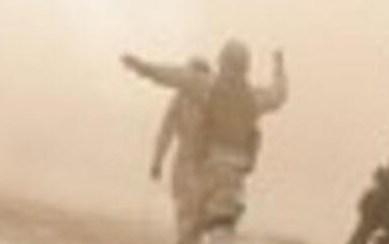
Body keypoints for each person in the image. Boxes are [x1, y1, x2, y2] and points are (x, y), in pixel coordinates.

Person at [121, 39, 288, 244]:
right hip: (232, 179)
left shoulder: (208, 86)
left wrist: (141, 67)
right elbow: (278, 95)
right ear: (246, 67)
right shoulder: (253, 98)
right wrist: (279, 68)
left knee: (189, 232)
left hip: (203, 173)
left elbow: (173, 76)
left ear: (222, 62)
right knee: (221, 233)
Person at [148, 57, 212, 244]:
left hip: (195, 164)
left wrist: (157, 161)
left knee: (187, 216)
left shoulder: (183, 99)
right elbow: (166, 131)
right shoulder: (205, 98)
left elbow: (166, 131)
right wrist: (157, 160)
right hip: (198, 165)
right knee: (190, 216)